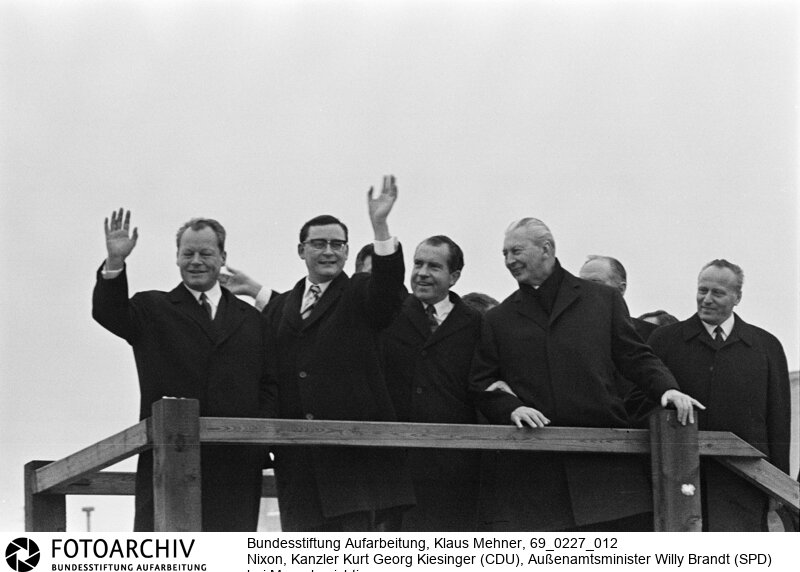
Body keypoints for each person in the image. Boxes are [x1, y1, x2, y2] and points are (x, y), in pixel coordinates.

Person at [470, 217, 703, 532]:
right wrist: (512, 408)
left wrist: (667, 390)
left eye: (516, 251)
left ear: (546, 249)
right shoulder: (499, 318)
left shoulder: (602, 300)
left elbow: (635, 356)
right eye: (504, 254)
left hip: (605, 472)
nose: (509, 261)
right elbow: (482, 382)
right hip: (537, 476)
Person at [228, 176, 414, 531]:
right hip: (297, 463)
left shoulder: (360, 292)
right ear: (301, 250)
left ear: (346, 251)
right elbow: (284, 315)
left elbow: (388, 290)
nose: (329, 251)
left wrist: (380, 227)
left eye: (337, 244)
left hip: (352, 463)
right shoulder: (287, 303)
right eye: (318, 244)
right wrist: (254, 290)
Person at [92, 210, 267, 531]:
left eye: (206, 253)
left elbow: (268, 384)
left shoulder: (252, 319)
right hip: (168, 461)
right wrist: (115, 261)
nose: (196, 261)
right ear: (177, 257)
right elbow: (108, 312)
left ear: (223, 257)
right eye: (188, 253)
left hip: (236, 466)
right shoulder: (151, 308)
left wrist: (261, 446)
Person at [648, 259, 791, 531]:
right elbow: (641, 402)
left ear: (737, 297)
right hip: (679, 479)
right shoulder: (664, 340)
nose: (707, 299)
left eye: (718, 293)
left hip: (746, 484)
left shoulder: (766, 346)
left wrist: (778, 484)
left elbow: (778, 419)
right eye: (702, 290)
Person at [380, 235, 482, 530]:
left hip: (453, 468)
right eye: (418, 263)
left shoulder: (475, 323)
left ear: (454, 276)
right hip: (397, 466)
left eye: (434, 266)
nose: (422, 273)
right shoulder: (390, 315)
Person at [578, 255, 657, 341]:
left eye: (595, 282)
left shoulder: (650, 335)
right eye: (582, 282)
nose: (586, 288)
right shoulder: (570, 330)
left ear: (621, 289)